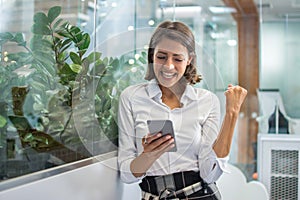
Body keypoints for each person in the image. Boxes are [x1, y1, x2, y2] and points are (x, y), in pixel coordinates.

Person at [117, 20, 247, 200]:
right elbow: (126, 174)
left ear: (189, 60)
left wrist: (232, 114)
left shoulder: (207, 101)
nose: (168, 66)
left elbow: (210, 174)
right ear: (152, 55)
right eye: (161, 57)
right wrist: (149, 155)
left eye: (177, 59)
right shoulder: (131, 97)